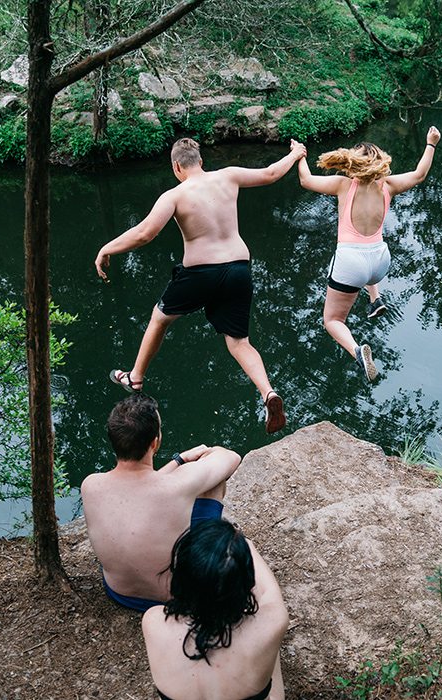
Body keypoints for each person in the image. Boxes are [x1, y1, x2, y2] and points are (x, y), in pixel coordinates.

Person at [94, 138, 307, 433]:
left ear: (176, 166)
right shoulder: (228, 176)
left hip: (200, 273)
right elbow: (271, 173)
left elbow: (144, 233)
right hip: (238, 269)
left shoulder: (175, 195)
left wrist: (107, 248)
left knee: (160, 318)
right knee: (239, 342)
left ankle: (136, 377)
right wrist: (296, 154)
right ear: (201, 161)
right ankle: (268, 392)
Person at [296, 127, 441, 381]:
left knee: (332, 320)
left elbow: (306, 180)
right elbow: (419, 175)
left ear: (353, 162)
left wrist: (299, 155)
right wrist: (431, 144)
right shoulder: (389, 185)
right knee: (369, 272)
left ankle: (357, 351)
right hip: (380, 260)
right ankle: (376, 299)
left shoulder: (343, 184)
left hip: (351, 261)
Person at [81, 393, 243, 611]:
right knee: (213, 484)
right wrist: (206, 454)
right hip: (176, 596)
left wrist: (180, 460)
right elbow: (231, 458)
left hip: (119, 592)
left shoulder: (90, 485)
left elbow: (141, 490)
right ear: (155, 442)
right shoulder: (176, 487)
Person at [142, 519, 288, 700]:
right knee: (269, 642)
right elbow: (268, 591)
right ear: (246, 582)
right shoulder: (272, 622)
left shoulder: (154, 622)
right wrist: (243, 546)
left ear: (181, 579)